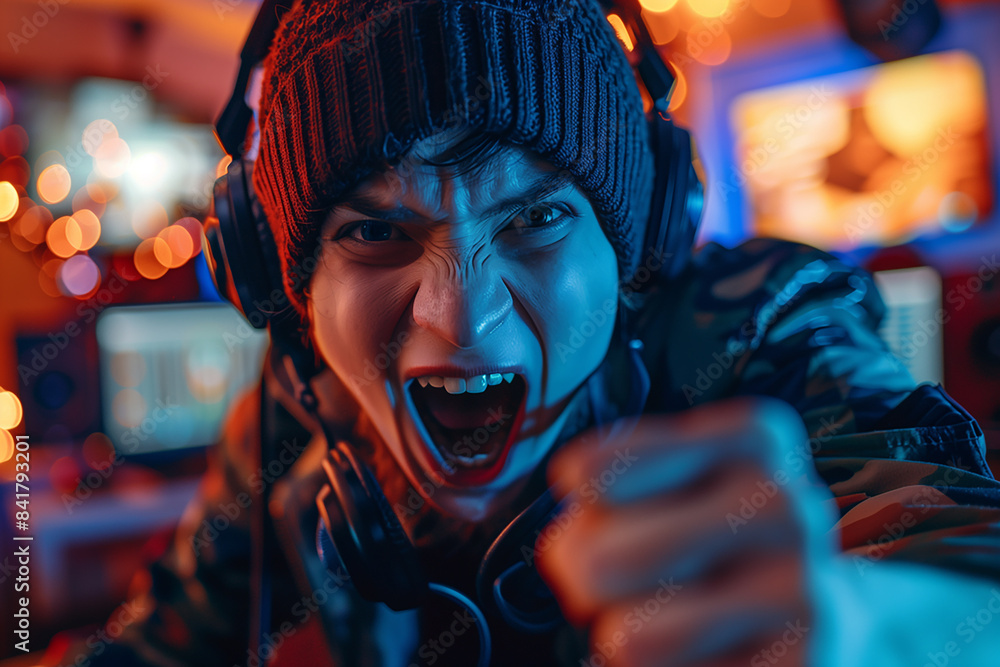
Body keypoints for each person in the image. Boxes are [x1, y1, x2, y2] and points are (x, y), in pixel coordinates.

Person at [54, 0, 1000, 665]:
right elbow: (155, 645)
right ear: (285, 286)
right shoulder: (288, 421)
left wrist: (877, 628)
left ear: (638, 244)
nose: (462, 318)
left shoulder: (759, 325)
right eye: (375, 232)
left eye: (536, 221)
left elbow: (962, 556)